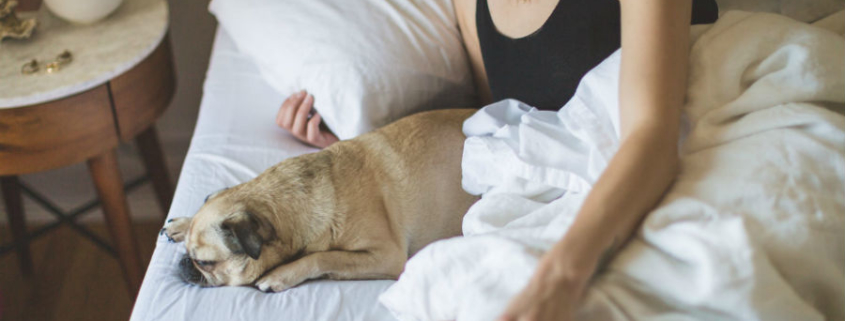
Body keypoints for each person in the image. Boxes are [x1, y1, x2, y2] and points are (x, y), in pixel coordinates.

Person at [278, 0, 717, 319]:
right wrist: (349, 151)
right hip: (564, 176)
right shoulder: (471, 4)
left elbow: (653, 138)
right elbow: (496, 126)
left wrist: (561, 275)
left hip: (691, 140)